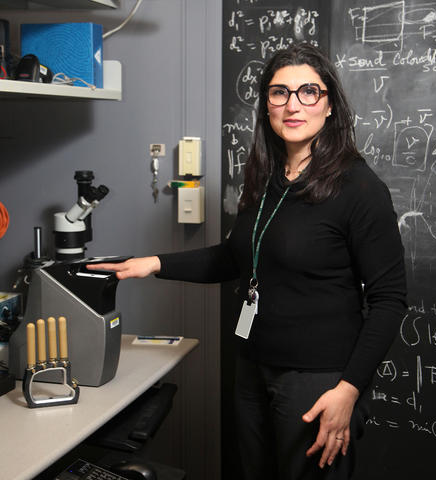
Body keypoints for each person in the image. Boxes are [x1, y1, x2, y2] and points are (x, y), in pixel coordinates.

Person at [88, 43, 407, 480]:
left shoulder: (360, 188)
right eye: (279, 93)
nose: (293, 105)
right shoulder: (267, 178)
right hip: (253, 368)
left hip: (318, 382)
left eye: (308, 92)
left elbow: (389, 301)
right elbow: (235, 258)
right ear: (266, 106)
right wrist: (153, 264)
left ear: (329, 104)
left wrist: (349, 391)